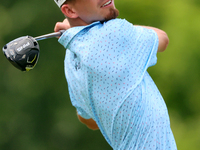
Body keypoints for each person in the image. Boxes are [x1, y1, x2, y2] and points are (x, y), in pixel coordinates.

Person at [54, 0, 177, 149]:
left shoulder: (71, 60)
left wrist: (76, 30)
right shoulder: (113, 32)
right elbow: (162, 38)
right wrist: (81, 29)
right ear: (70, 11)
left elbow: (90, 121)